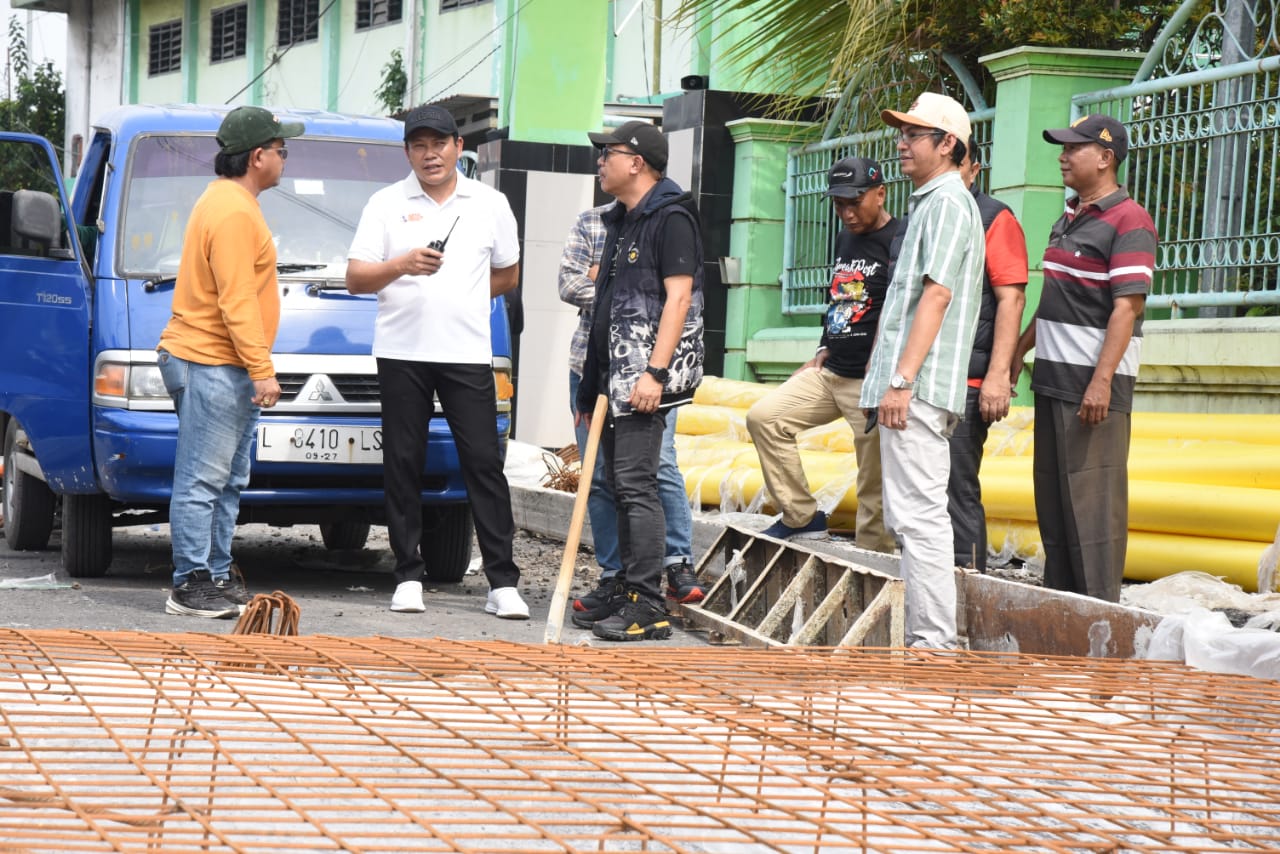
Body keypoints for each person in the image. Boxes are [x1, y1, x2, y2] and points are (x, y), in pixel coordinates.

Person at [345, 103, 528, 619]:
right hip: (401, 352)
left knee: (483, 463)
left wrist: (461, 297)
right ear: (407, 152)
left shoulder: (489, 202)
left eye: (440, 144)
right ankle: (408, 575)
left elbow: (508, 274)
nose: (431, 154)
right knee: (403, 462)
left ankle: (502, 582)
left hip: (466, 353)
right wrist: (402, 265)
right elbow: (356, 278)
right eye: (420, 146)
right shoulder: (385, 203)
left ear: (458, 147)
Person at [157, 105, 303, 617]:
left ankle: (215, 575)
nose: (285, 157)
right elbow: (236, 299)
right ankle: (190, 583)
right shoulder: (235, 211)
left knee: (225, 480)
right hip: (211, 361)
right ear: (258, 156)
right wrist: (262, 369)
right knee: (203, 480)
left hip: (219, 362)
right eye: (282, 150)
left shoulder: (227, 200)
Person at [859, 92, 985, 649]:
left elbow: (936, 295)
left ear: (948, 143)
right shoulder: (933, 203)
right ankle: (927, 639)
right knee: (910, 518)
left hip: (919, 389)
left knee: (920, 518)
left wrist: (901, 381)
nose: (901, 144)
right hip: (913, 387)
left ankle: (933, 643)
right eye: (902, 133)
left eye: (913, 135)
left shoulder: (948, 203)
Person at [1013, 115, 1157, 603]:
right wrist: (1018, 351)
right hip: (1052, 382)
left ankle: (1099, 618)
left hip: (1091, 392)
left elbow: (1127, 307)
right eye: (1063, 148)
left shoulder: (1130, 220)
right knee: (1055, 507)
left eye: (1074, 148)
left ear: (1105, 157)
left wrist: (1101, 382)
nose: (1063, 156)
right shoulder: (1069, 217)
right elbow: (1055, 301)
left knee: (1093, 515)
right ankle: (1062, 611)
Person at [574, 120, 705, 642]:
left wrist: (655, 373)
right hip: (614, 378)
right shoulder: (621, 220)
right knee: (615, 484)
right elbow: (605, 308)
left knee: (636, 485)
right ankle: (627, 587)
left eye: (608, 153)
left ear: (637, 162)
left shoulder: (672, 217)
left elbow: (680, 299)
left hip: (645, 380)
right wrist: (590, 386)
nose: (600, 161)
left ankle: (649, 604)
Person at [746, 157, 898, 553]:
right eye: (839, 204)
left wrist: (884, 373)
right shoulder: (846, 238)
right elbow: (841, 298)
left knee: (874, 480)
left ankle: (873, 558)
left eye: (855, 203)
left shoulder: (899, 240)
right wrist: (823, 346)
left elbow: (900, 310)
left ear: (880, 194)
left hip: (870, 381)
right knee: (765, 418)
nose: (847, 213)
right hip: (831, 372)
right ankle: (801, 517)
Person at [946, 137, 1028, 572]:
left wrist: (998, 375)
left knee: (956, 489)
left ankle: (966, 586)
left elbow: (1011, 299)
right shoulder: (919, 216)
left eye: (958, 166)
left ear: (974, 170)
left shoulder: (994, 218)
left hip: (967, 381)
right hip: (921, 380)